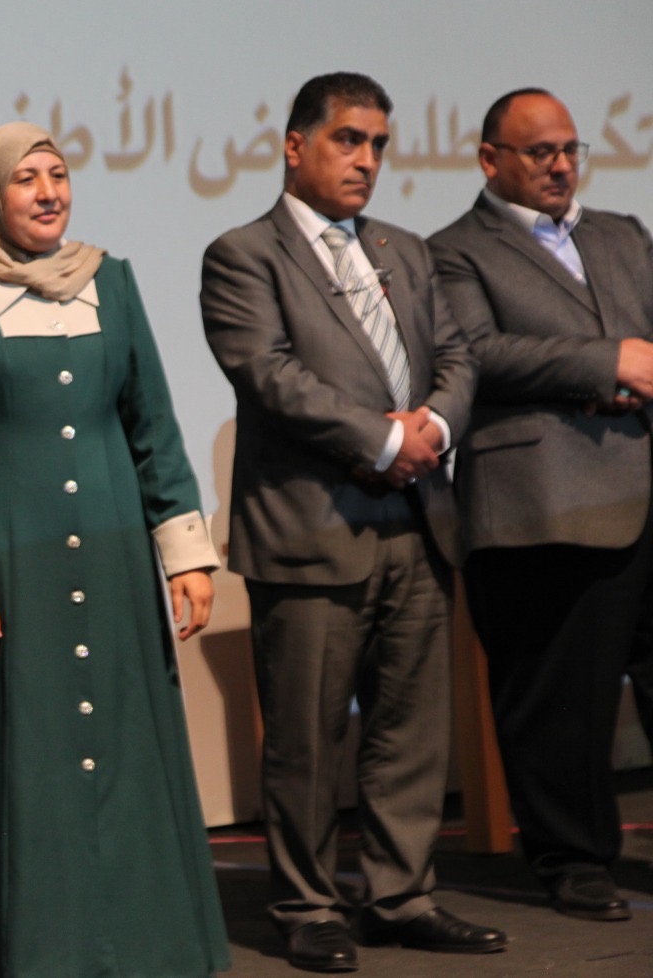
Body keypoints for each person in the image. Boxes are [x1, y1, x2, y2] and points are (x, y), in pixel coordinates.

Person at [0, 121, 230, 977]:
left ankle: (143, 951)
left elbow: (152, 421)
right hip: (7, 567)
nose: (50, 191)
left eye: (58, 173)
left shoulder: (109, 280)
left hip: (115, 557)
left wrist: (185, 549)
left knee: (126, 747)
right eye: (26, 178)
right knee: (26, 756)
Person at [199, 72, 504, 972]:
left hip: (418, 520)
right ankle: (307, 907)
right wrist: (384, 440)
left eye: (377, 144)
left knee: (412, 730)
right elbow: (270, 374)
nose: (366, 160)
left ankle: (400, 897)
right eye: (348, 140)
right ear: (296, 146)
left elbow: (457, 355)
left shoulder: (405, 250)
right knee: (306, 737)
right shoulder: (243, 254)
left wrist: (434, 425)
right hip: (311, 530)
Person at [429, 89, 653, 922]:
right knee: (560, 695)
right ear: (491, 160)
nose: (561, 166)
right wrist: (608, 364)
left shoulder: (622, 234)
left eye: (570, 150)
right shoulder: (452, 251)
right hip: (542, 498)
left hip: (644, 484)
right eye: (540, 152)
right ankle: (572, 858)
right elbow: (477, 353)